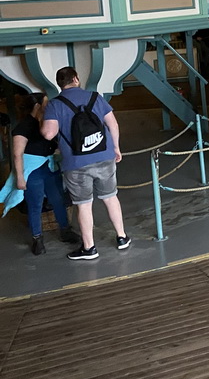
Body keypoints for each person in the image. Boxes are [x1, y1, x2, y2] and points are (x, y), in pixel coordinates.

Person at [41, 67, 129, 260]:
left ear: (60, 84)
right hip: (104, 155)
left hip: (76, 162)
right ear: (76, 79)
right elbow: (113, 124)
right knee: (110, 197)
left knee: (83, 205)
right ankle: (122, 237)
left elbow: (48, 133)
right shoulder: (95, 97)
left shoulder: (55, 104)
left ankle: (89, 248)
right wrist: (116, 148)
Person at [11, 93, 77, 255]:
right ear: (37, 106)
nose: (49, 107)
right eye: (46, 104)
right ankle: (37, 238)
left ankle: (65, 231)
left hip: (49, 168)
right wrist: (20, 177)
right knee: (36, 205)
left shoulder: (45, 124)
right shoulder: (23, 127)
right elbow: (17, 154)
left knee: (58, 200)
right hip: (33, 172)